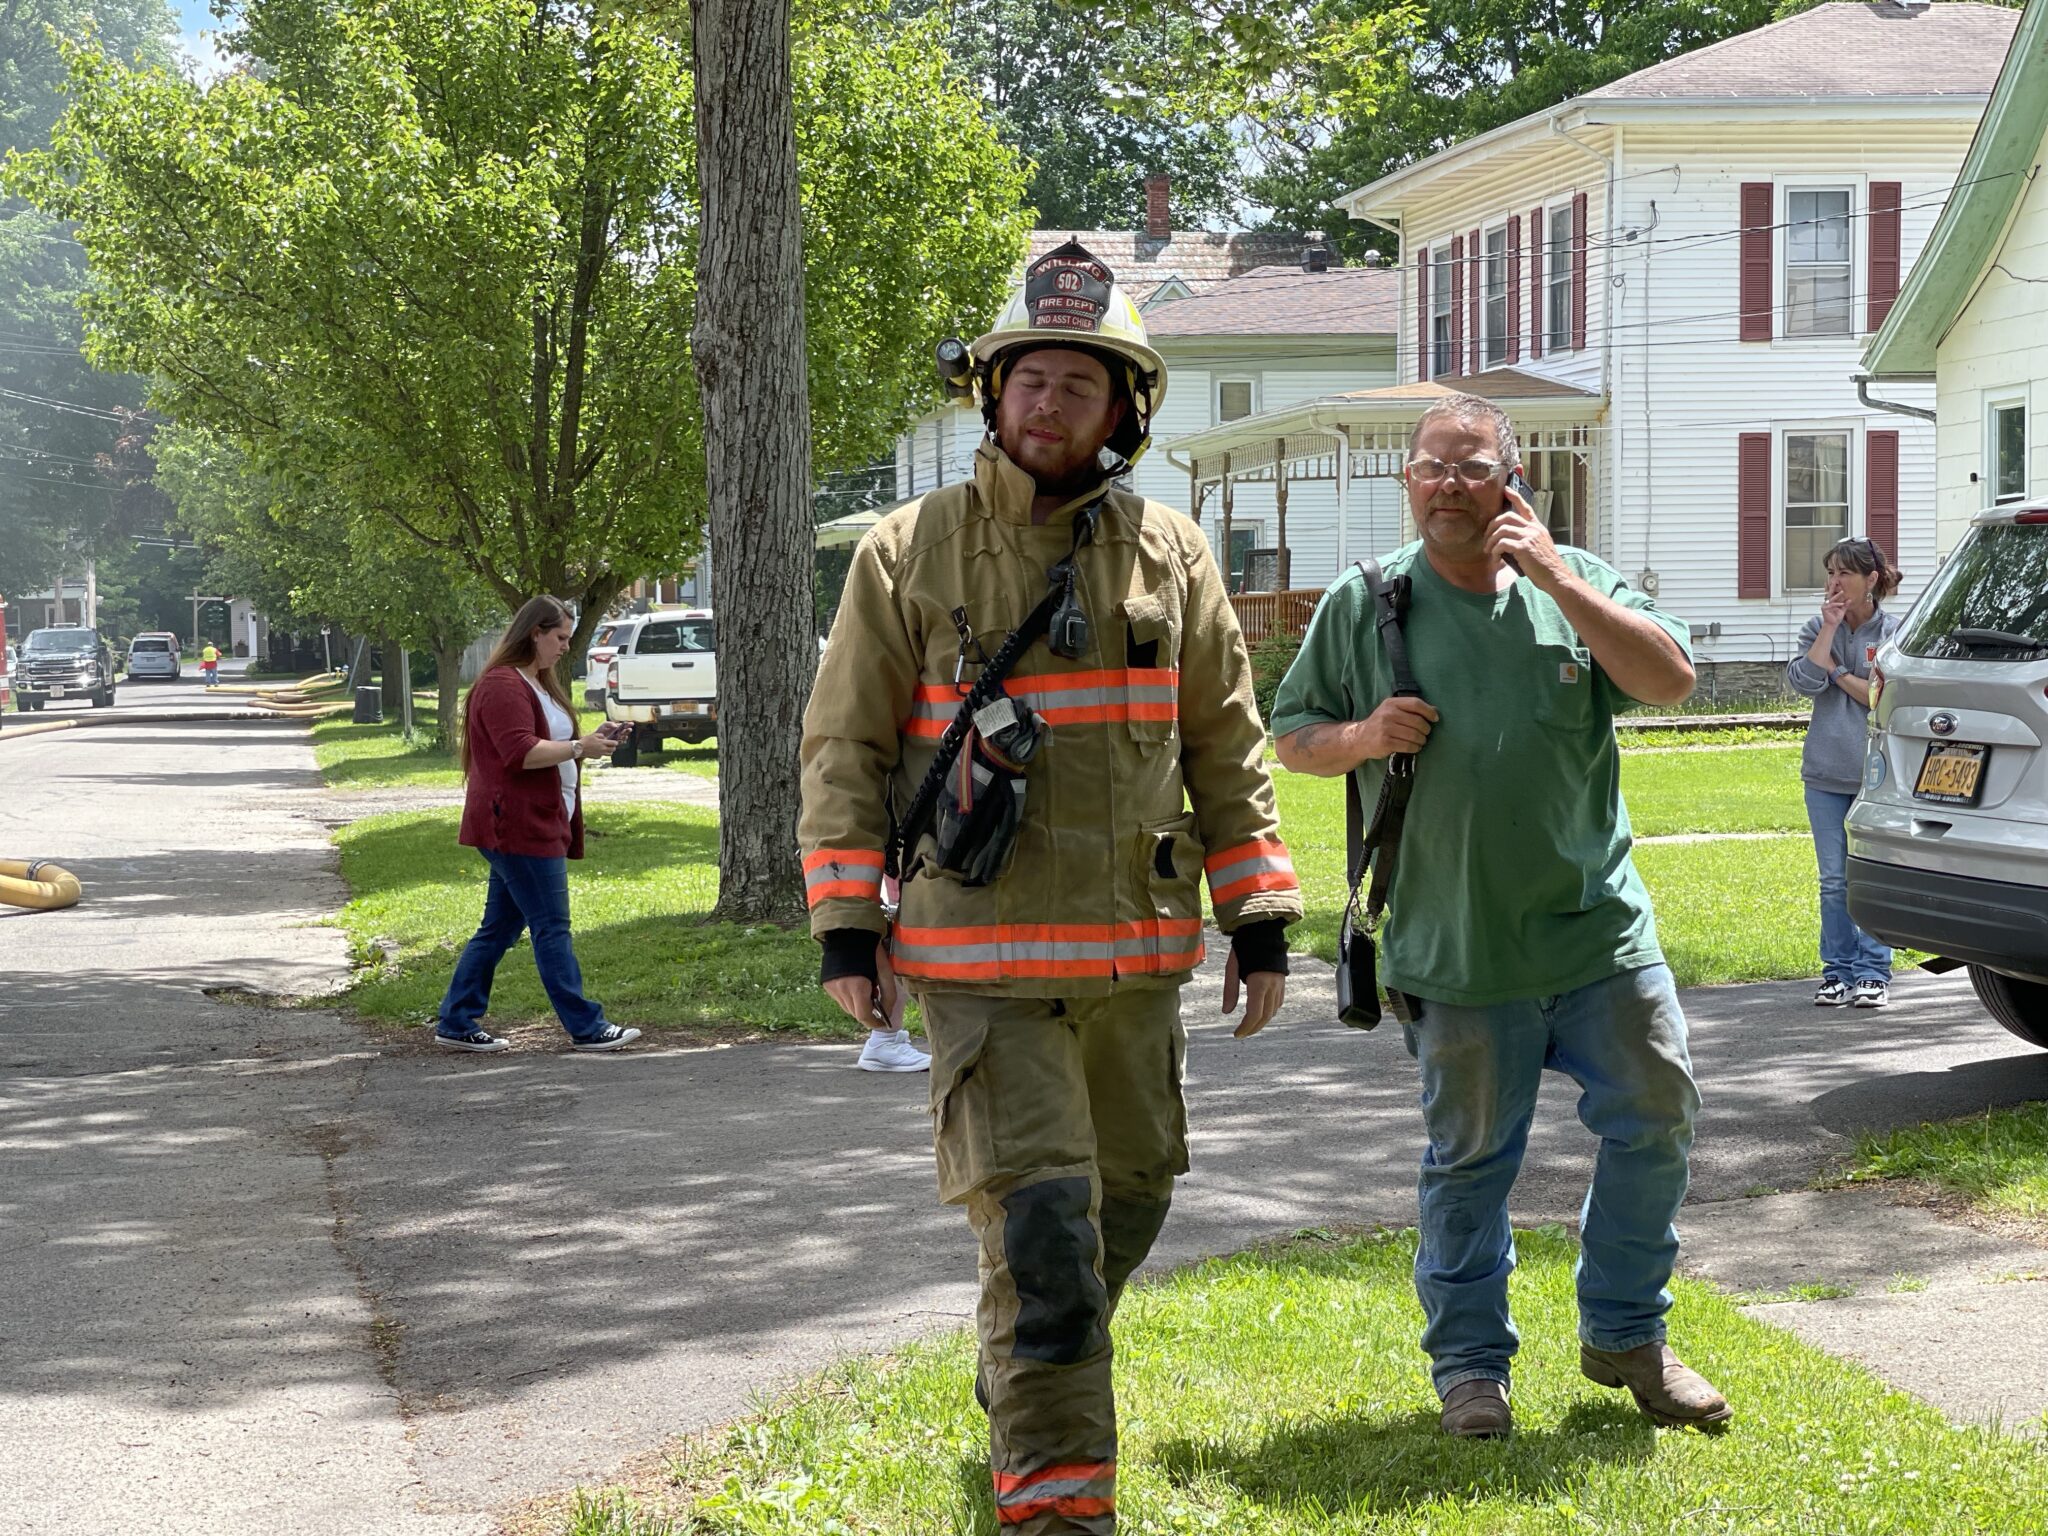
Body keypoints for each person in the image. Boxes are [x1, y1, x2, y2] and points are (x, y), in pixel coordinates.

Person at [799, 240, 1301, 1534]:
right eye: (1029, 378)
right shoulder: (908, 556)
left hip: (1137, 971)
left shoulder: (1175, 556)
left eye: (1082, 383)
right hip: (986, 975)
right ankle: (1059, 1508)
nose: (1050, 401)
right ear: (990, 391)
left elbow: (1225, 747)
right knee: (1048, 1248)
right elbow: (845, 747)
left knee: (1119, 1211)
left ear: (1125, 410)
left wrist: (1257, 918)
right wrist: (850, 923)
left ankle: (1017, 1356)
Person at [1272, 392, 1729, 1441]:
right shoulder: (1369, 600)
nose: (1450, 486)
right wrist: (1362, 736)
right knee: (1470, 1167)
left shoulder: (1571, 588)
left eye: (1472, 467)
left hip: (1598, 933)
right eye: (1432, 466)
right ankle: (1471, 1369)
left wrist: (1559, 577)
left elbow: (1668, 680)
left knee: (1654, 1121)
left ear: (1510, 481)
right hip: (1458, 948)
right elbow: (1290, 735)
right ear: (1406, 480)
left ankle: (1626, 1335)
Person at [436, 596, 640, 1054]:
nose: (566, 646)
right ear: (535, 633)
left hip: (539, 821)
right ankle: (586, 1027)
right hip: (518, 826)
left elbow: (551, 741)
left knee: (500, 928)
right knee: (552, 926)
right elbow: (521, 752)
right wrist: (578, 748)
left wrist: (590, 740)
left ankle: (456, 1017)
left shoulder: (537, 683)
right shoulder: (502, 686)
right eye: (560, 637)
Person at [1786, 537, 1902, 1009]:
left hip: (1877, 778)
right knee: (1833, 880)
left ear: (1870, 580)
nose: (1834, 583)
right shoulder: (1818, 626)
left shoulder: (1895, 631)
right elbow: (1801, 682)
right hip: (1825, 774)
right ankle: (1837, 972)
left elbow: (1882, 697)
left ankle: (1874, 972)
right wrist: (1828, 632)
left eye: (1845, 574)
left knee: (1870, 876)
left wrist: (1837, 675)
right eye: (1830, 573)